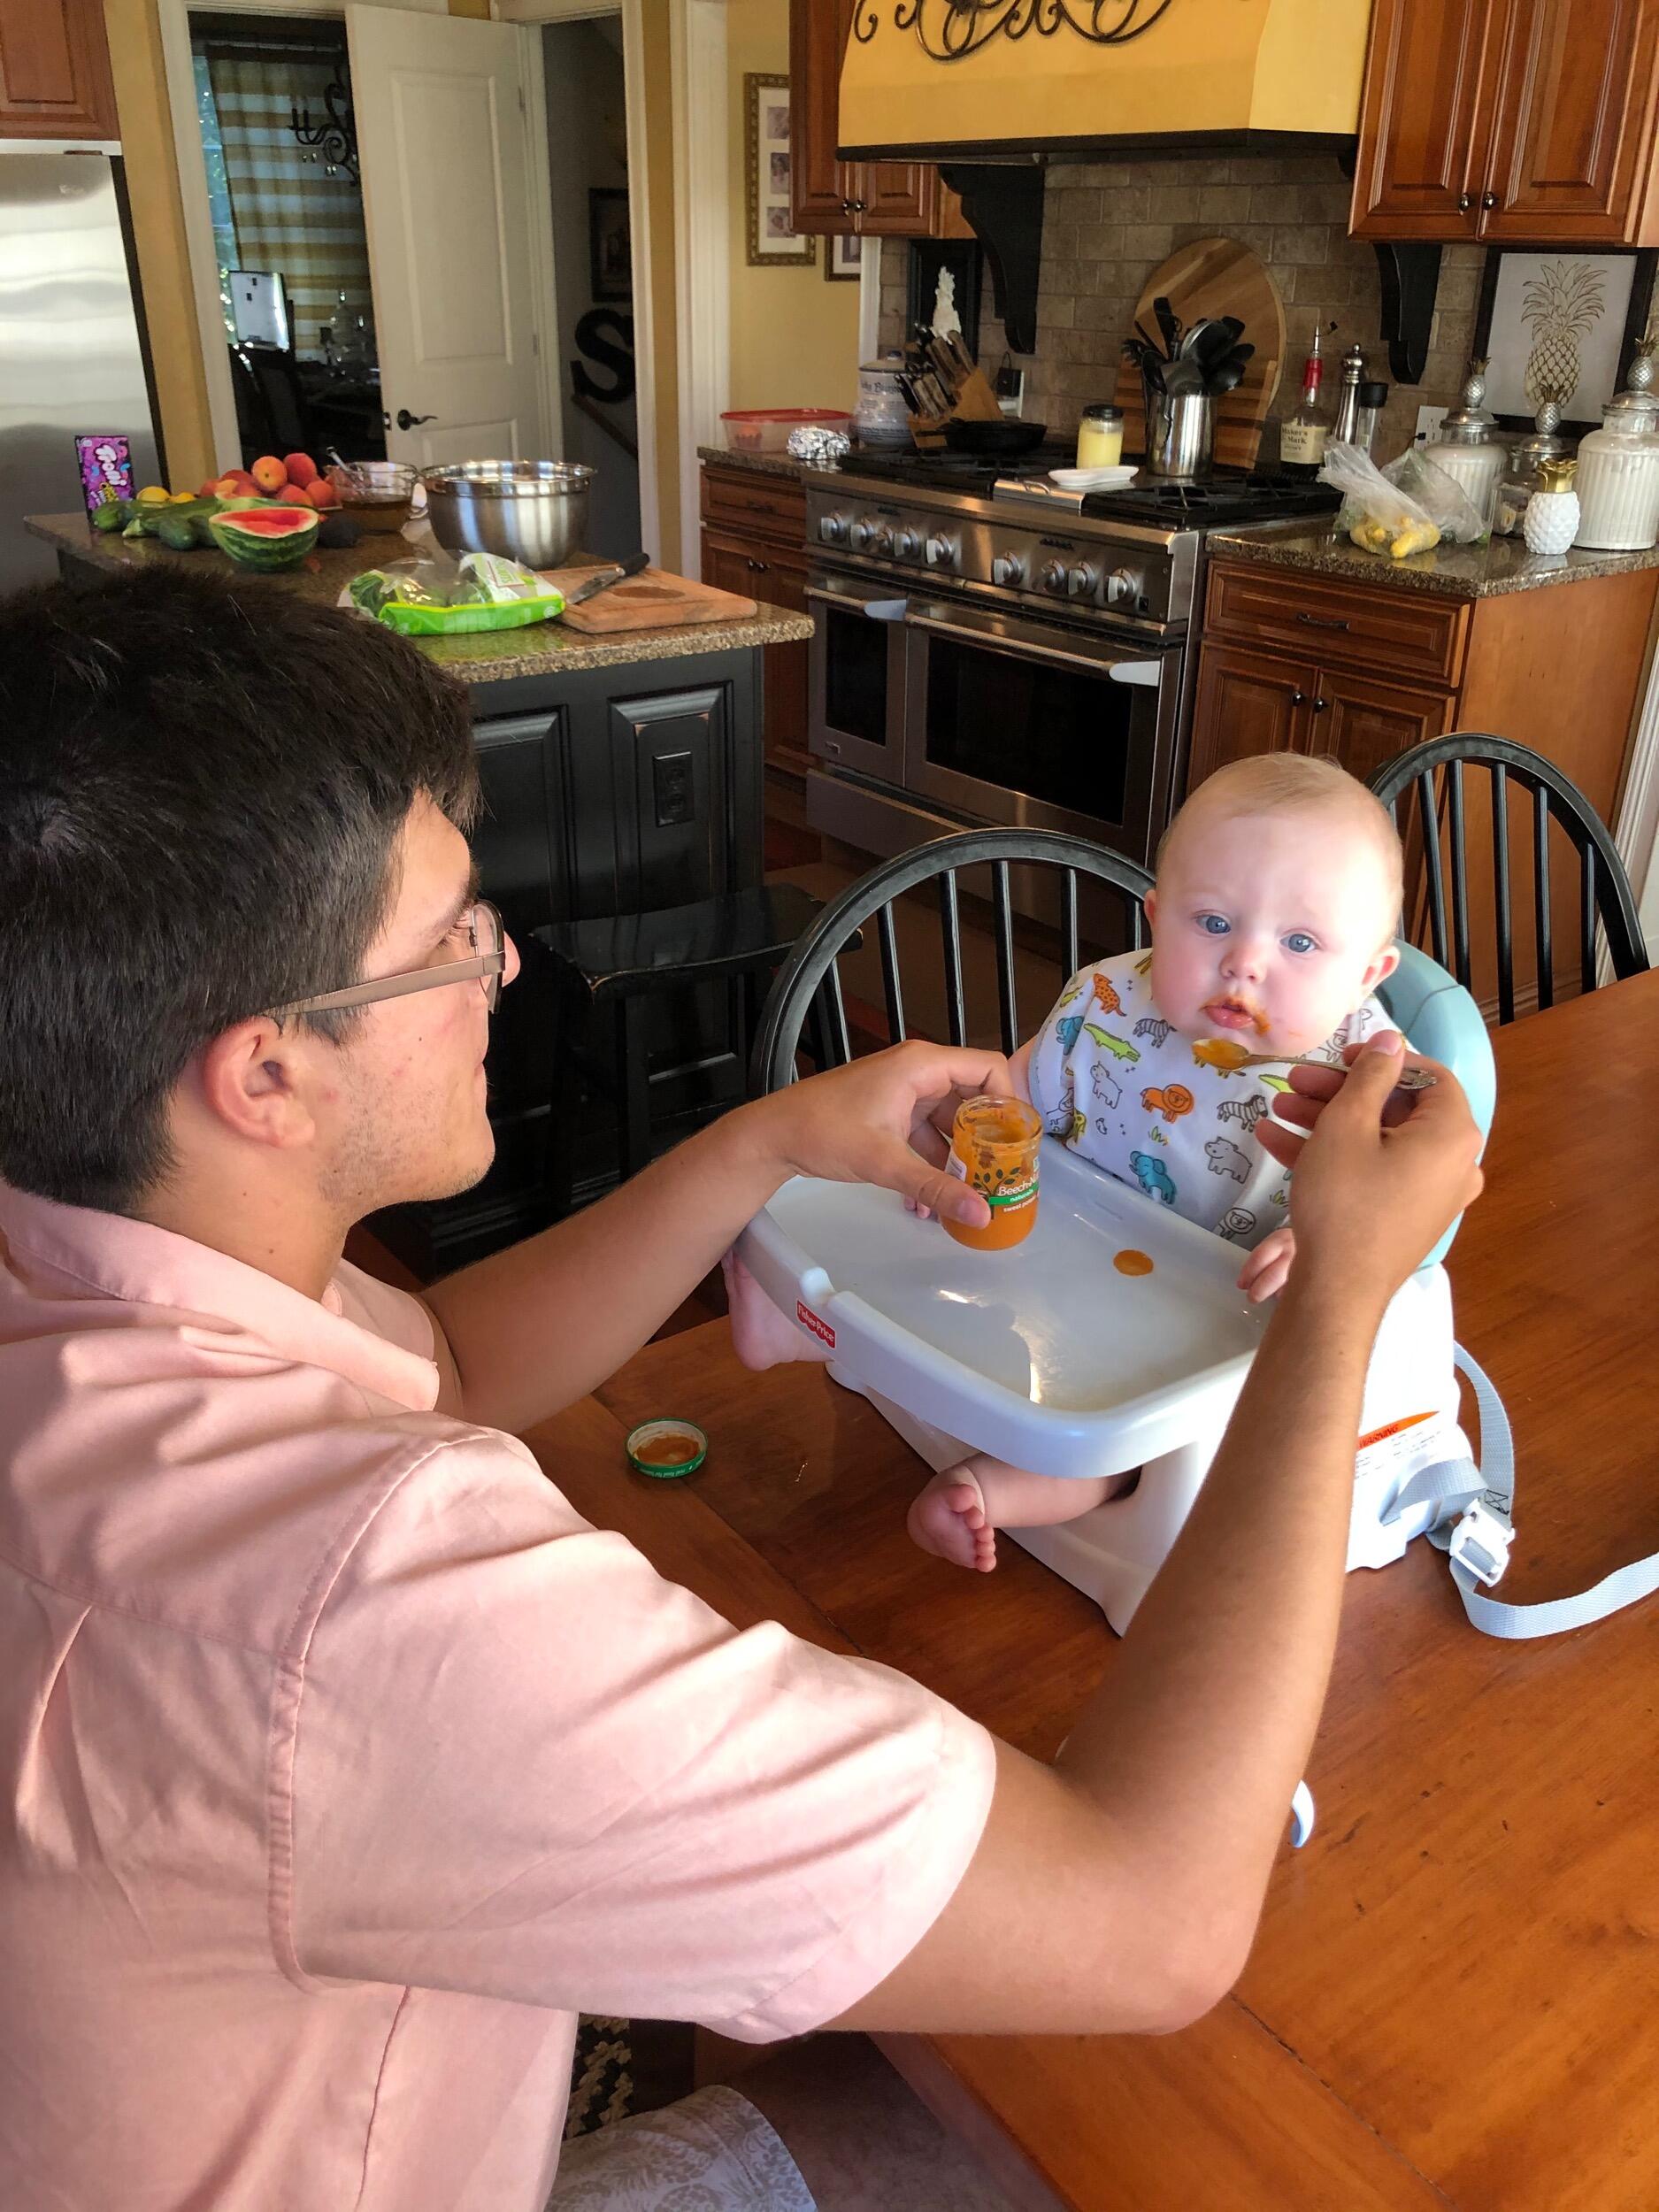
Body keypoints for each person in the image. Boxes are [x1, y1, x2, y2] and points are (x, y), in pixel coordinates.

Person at [0, 569, 1483, 2212]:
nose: (503, 969)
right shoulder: (368, 1611)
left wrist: (765, 1141)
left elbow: (459, 1368)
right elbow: (1152, 1920)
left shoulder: (88, 1248)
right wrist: (1348, 1286)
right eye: (453, 941)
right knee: (1075, 2130)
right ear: (264, 1071)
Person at [727, 754, 1422, 1572]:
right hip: (1058, 1268)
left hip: (1208, 1316)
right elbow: (1017, 1100)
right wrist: (963, 1148)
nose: (1244, 963)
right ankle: (793, 1322)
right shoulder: (1107, 1003)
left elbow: (1391, 1205)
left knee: (1143, 1453)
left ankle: (992, 1492)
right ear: (1156, 918)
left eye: (1299, 942)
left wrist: (1317, 1243)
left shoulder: (1366, 1073)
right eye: (1211, 922)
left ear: (1368, 971)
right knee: (918, 1233)